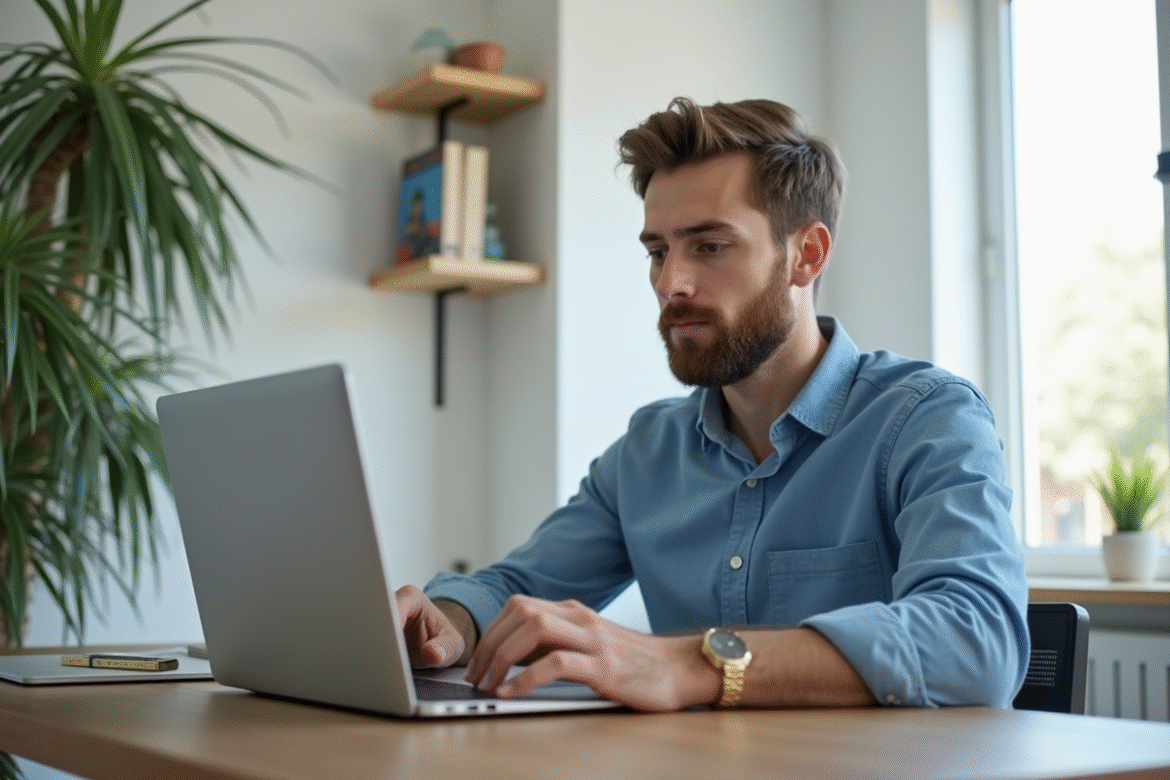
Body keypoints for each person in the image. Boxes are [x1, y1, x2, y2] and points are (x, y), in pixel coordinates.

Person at [395, 97, 1029, 712]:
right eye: (658, 251)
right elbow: (512, 591)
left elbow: (975, 639)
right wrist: (446, 624)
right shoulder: (648, 453)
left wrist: (688, 665)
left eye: (710, 246)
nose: (672, 283)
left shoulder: (927, 419)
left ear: (805, 255)